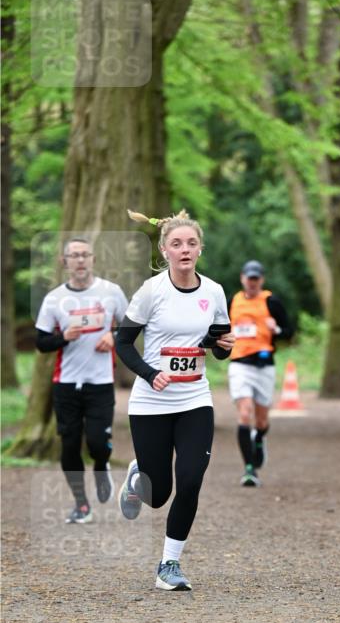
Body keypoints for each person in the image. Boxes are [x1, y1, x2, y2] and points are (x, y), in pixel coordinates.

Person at [115, 209, 234, 591]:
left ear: (200, 249)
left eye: (191, 243)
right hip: (151, 402)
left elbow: (217, 346)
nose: (185, 249)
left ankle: (169, 564)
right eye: (177, 244)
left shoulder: (214, 291)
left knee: (191, 480)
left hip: (195, 399)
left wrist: (223, 346)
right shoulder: (152, 292)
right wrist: (152, 374)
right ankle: (138, 479)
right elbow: (123, 342)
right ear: (164, 251)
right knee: (158, 494)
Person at [35, 237, 129, 523]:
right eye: (73, 256)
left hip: (100, 382)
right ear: (65, 262)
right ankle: (81, 504)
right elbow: (41, 342)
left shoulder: (111, 292)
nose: (79, 260)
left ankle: (101, 466)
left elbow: (131, 327)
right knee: (69, 444)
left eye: (84, 255)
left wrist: (112, 336)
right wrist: (62, 337)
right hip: (66, 384)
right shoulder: (53, 299)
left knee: (99, 442)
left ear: (93, 260)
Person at [227, 260, 293, 487]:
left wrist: (277, 329)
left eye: (256, 279)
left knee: (262, 419)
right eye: (249, 278)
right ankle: (249, 469)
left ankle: (259, 439)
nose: (252, 283)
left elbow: (289, 331)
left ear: (261, 280)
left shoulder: (271, 302)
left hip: (264, 366)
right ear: (242, 278)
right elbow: (221, 329)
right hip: (239, 364)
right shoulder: (233, 302)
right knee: (245, 413)